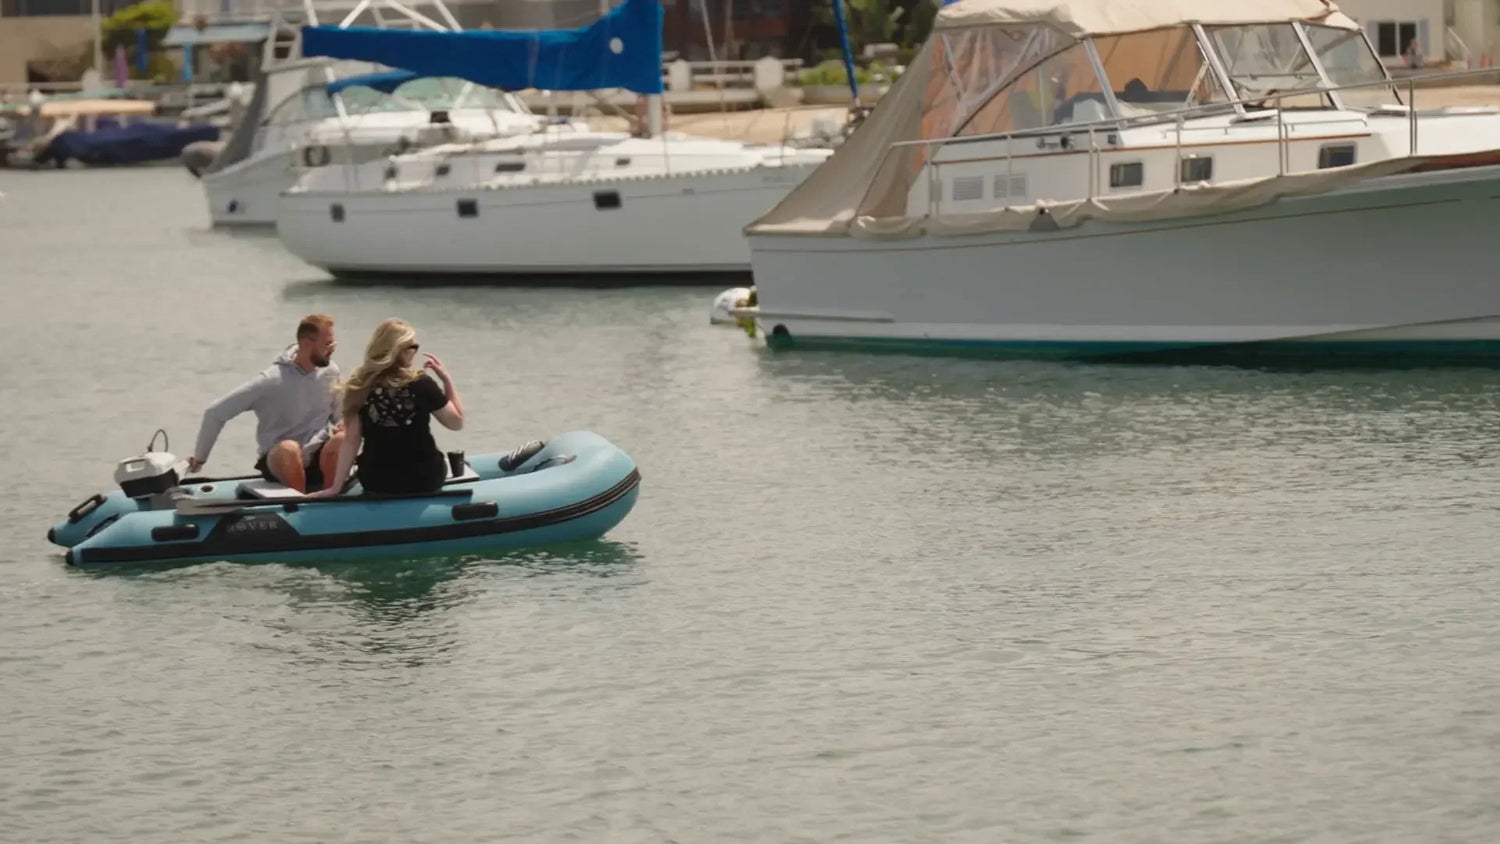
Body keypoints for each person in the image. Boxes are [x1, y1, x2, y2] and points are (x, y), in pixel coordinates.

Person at [188, 315, 344, 493]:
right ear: (307, 344)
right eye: (327, 344)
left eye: (333, 344)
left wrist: (343, 424)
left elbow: (340, 415)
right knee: (289, 449)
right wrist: (200, 458)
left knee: (342, 438)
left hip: (318, 455)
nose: (332, 349)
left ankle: (333, 497)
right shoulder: (270, 381)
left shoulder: (331, 371)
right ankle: (300, 502)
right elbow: (215, 412)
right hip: (281, 459)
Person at [311, 319, 464, 498]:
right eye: (413, 346)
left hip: (378, 480)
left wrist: (335, 488)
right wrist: (447, 379)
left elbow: (351, 441)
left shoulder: (359, 386)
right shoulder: (422, 384)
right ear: (400, 350)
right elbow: (456, 423)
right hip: (423, 478)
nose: (415, 352)